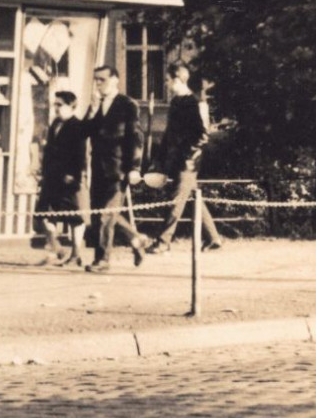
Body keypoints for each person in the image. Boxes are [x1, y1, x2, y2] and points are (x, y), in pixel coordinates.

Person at [149, 66, 223, 254]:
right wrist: (159, 158)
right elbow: (169, 134)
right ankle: (213, 238)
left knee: (177, 199)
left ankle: (163, 241)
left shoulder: (194, 102)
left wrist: (187, 155)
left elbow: (203, 135)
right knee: (191, 197)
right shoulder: (176, 102)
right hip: (178, 159)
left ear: (177, 80)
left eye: (167, 80)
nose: (165, 83)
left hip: (188, 162)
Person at [84, 66, 151, 272]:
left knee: (106, 214)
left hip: (119, 169)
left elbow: (136, 137)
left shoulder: (127, 104)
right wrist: (93, 110)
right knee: (100, 213)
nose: (97, 84)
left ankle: (102, 260)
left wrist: (135, 167)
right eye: (95, 80)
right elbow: (85, 132)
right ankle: (137, 239)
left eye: (102, 80)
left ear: (115, 80)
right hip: (98, 168)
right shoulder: (97, 105)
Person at [36, 90, 88, 267]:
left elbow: (81, 155)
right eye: (54, 104)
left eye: (59, 105)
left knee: (74, 218)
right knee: (43, 214)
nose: (56, 108)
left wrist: (73, 175)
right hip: (51, 177)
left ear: (71, 106)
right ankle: (57, 250)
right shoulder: (55, 124)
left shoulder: (77, 126)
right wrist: (43, 173)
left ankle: (76, 254)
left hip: (68, 179)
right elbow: (49, 152)